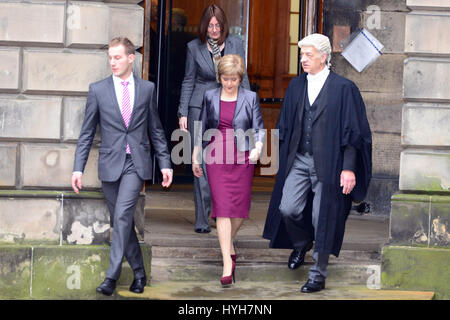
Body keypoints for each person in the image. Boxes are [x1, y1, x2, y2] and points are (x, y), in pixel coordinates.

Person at [262, 33, 372, 293]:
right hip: (300, 159)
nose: (303, 59)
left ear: (324, 57)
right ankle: (301, 243)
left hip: (330, 164)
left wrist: (348, 168)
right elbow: (286, 125)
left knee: (322, 216)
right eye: (302, 55)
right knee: (288, 208)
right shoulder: (296, 86)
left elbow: (353, 133)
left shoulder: (344, 89)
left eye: (308, 55)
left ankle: (317, 274)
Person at [71, 37, 173, 296]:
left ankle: (111, 276)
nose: (113, 62)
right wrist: (78, 169)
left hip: (134, 163)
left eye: (117, 57)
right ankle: (139, 273)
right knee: (123, 221)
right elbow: (86, 134)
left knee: (123, 216)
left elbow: (156, 130)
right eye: (110, 58)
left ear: (131, 57)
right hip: (109, 165)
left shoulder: (147, 89)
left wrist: (165, 164)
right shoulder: (98, 90)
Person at [178, 4, 250, 234]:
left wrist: (247, 108)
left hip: (230, 106)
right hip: (200, 107)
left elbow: (243, 77)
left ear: (223, 25)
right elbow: (188, 80)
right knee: (200, 161)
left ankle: (222, 210)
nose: (214, 29)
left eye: (217, 25)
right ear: (204, 26)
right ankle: (202, 218)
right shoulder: (193, 47)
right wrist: (182, 112)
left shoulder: (236, 44)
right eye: (210, 25)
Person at [192, 54, 264, 287]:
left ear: (240, 78)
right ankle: (226, 261)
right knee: (222, 208)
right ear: (219, 78)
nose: (230, 83)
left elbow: (259, 128)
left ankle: (228, 243)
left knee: (240, 210)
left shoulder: (250, 97)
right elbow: (202, 127)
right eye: (225, 79)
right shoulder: (210, 96)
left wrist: (258, 148)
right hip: (216, 155)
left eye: (233, 79)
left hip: (242, 155)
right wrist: (195, 155)